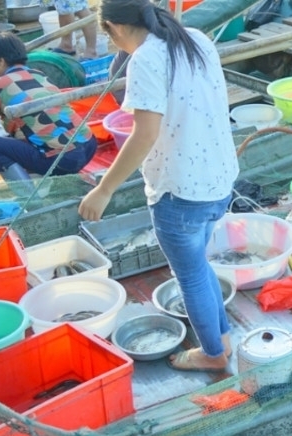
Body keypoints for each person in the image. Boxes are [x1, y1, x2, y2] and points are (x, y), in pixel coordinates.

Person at [78, 0, 240, 372]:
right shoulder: (195, 38)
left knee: (190, 275)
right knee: (199, 266)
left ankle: (213, 354)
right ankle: (223, 338)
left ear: (115, 29)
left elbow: (144, 134)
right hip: (218, 180)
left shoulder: (146, 59)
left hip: (180, 190)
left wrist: (104, 188)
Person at [0, 31, 97, 196]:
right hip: (88, 145)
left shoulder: (0, 84)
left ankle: (32, 200)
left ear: (0, 61)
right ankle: (61, 185)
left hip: (61, 158)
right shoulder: (38, 74)